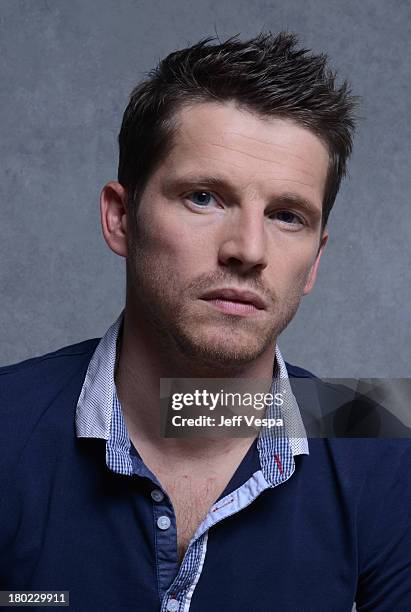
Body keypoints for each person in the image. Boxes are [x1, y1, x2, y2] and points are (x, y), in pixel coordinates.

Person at [0, 32, 410, 612]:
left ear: (315, 261)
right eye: (203, 198)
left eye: (287, 216)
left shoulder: (386, 451)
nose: (247, 249)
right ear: (120, 219)